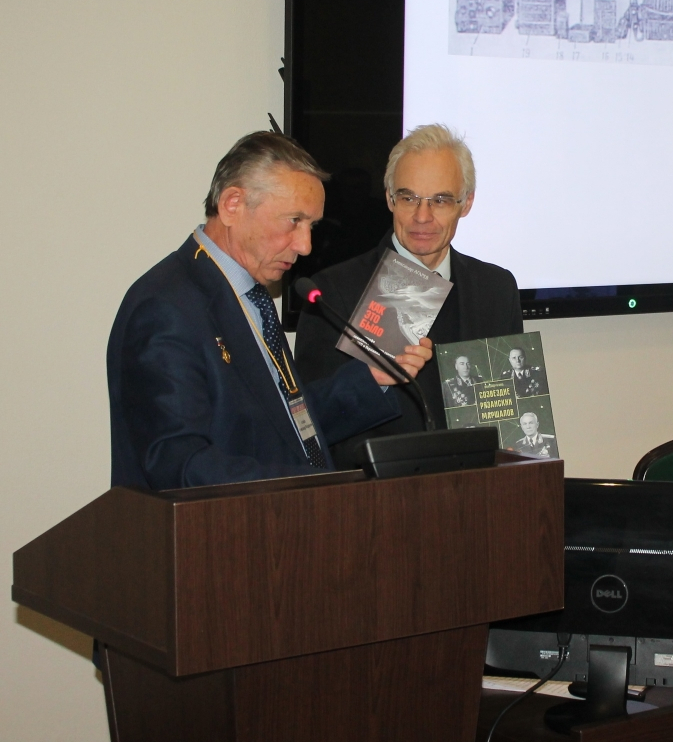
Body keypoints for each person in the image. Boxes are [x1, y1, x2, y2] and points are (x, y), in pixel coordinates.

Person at [108, 132, 432, 490]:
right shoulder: (166, 307)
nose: (305, 245)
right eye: (294, 220)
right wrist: (317, 485)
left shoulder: (250, 296)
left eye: (311, 226)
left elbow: (286, 424)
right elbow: (178, 464)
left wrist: (372, 378)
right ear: (232, 204)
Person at [295, 124, 522, 463]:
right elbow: (305, 425)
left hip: (476, 487)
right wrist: (371, 381)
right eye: (408, 198)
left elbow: (508, 409)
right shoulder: (332, 292)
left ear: (466, 203)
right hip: (378, 491)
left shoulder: (496, 288)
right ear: (389, 198)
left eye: (440, 200)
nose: (422, 217)